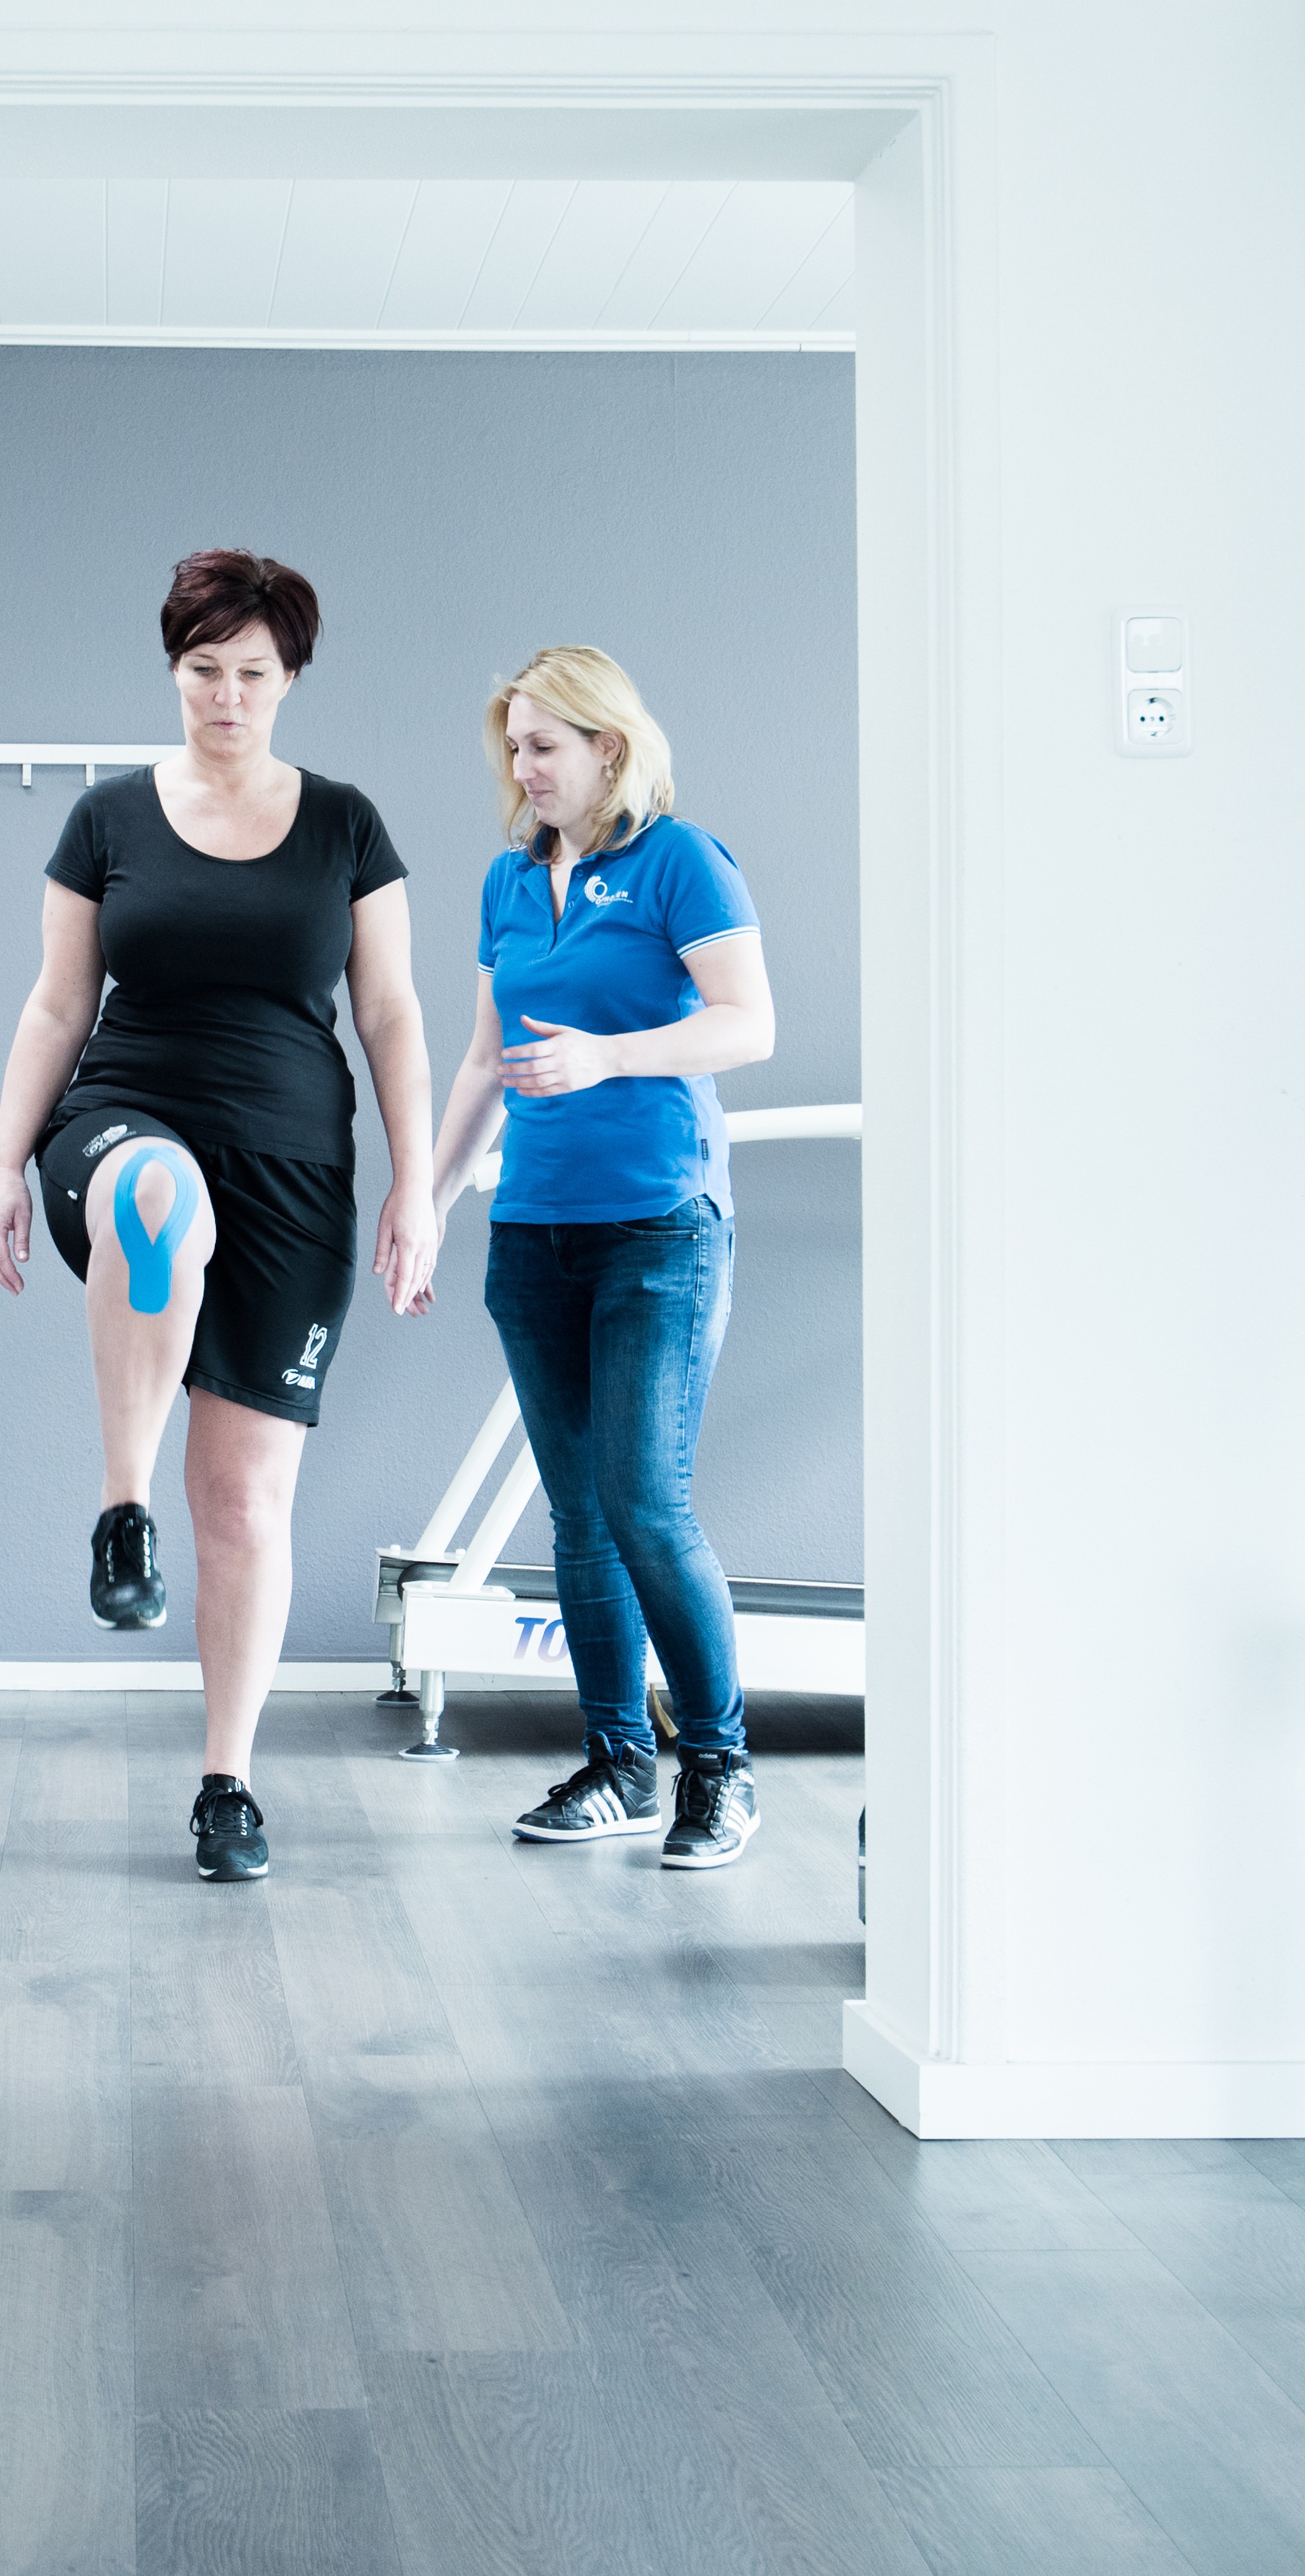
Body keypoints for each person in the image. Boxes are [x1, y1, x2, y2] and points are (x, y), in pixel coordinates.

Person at [0, 549, 440, 1882]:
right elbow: (56, 1004)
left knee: (241, 1502)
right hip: (122, 1120)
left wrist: (416, 1181)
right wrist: (2, 1166)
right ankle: (122, 1511)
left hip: (294, 1168)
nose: (225, 696)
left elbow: (390, 1012)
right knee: (155, 1196)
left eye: (250, 672)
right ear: (172, 671)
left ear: (289, 678)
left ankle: (226, 1782)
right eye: (201, 670)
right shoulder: (108, 819)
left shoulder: (345, 826)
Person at [422, 644, 777, 1869]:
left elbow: (748, 1022)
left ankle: (718, 1770)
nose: (521, 768)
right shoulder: (509, 880)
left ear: (606, 746)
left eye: (542, 745)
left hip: (658, 1228)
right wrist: (423, 1199)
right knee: (576, 1513)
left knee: (643, 1501)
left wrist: (610, 1056)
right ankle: (619, 1763)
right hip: (533, 1230)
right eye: (512, 746)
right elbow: (483, 1060)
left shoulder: (680, 860)